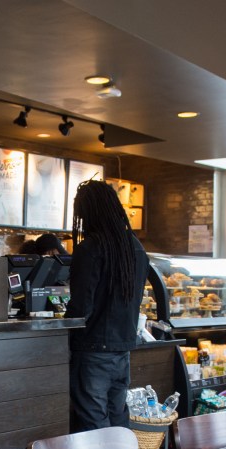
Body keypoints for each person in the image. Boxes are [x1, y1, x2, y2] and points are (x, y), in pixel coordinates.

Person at [66, 179, 149, 431]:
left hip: (93, 350)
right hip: (122, 349)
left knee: (93, 422)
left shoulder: (91, 248)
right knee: (117, 418)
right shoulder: (134, 247)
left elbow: (82, 307)